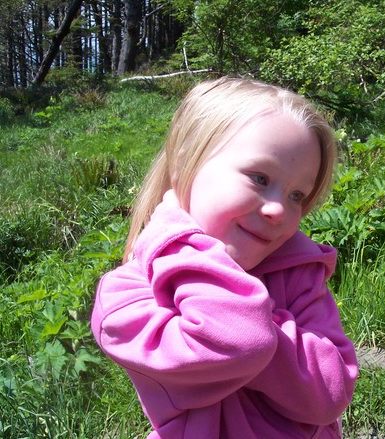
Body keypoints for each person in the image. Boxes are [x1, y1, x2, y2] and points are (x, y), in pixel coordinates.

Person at [91, 76, 359, 438]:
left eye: (297, 195)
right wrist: (178, 239)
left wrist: (264, 327)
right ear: (188, 160)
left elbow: (331, 392)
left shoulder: (298, 274)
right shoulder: (127, 296)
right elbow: (239, 341)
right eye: (260, 178)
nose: (279, 209)